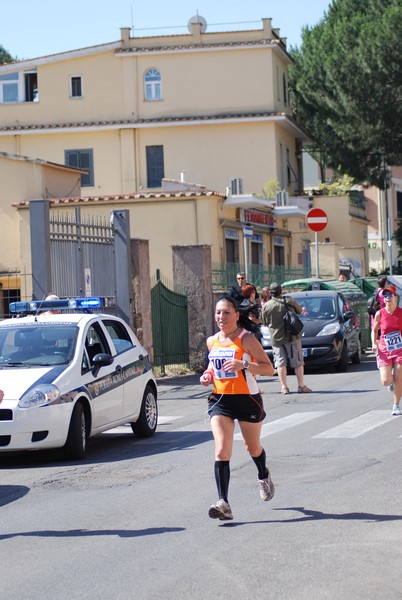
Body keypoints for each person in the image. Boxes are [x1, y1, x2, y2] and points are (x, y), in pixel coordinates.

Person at [200, 295, 275, 521]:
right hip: (221, 400)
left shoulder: (246, 339)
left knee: (252, 448)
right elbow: (213, 367)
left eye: (226, 312)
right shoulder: (212, 341)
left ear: (237, 315)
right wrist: (207, 375)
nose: (221, 317)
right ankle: (224, 502)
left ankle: (263, 475)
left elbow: (268, 369)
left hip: (246, 400)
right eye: (218, 313)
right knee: (222, 450)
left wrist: (243, 364)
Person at [262, 282, 312, 395]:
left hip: (276, 337)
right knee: (298, 361)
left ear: (270, 292)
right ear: (281, 291)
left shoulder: (266, 306)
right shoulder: (289, 300)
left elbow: (264, 322)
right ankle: (301, 386)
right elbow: (300, 311)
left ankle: (284, 387)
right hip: (292, 336)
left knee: (280, 363)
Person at [371, 284, 402, 416]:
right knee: (386, 381)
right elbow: (374, 330)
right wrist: (374, 342)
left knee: (398, 377)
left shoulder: (401, 313)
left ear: (396, 297)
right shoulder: (380, 313)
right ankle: (391, 384)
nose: (387, 297)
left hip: (400, 349)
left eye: (390, 295)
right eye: (385, 295)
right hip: (384, 349)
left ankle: (396, 405)